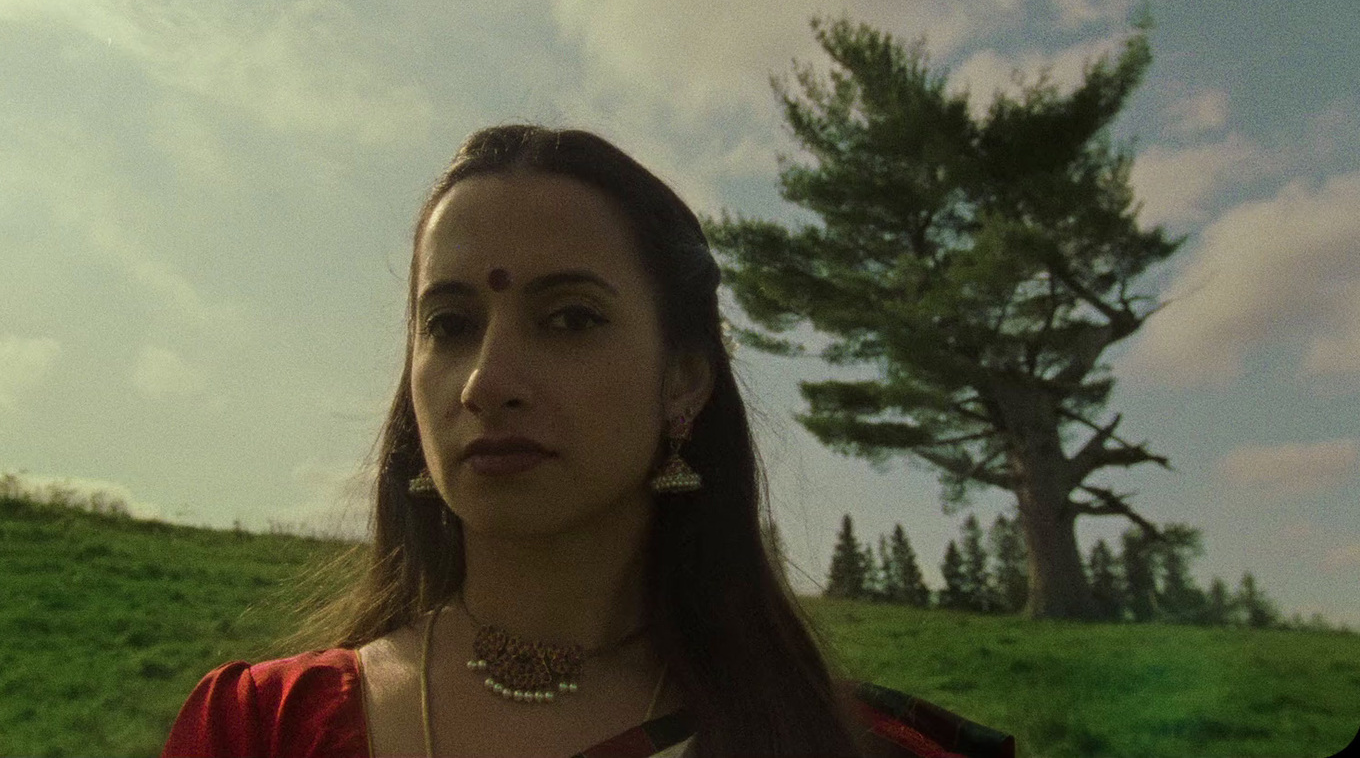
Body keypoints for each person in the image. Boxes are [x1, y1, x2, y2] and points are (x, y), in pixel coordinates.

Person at [161, 125, 1014, 758]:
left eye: (569, 318)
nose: (486, 381)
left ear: (683, 380)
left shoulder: (846, 746)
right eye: (450, 323)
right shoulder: (261, 728)